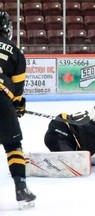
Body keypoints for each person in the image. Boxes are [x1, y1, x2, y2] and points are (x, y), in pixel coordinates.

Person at [0, 11, 36, 209]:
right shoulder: (15, 50)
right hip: (1, 99)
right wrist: (16, 105)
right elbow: (17, 90)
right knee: (13, 146)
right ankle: (21, 187)